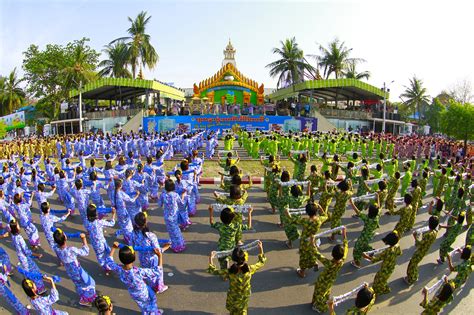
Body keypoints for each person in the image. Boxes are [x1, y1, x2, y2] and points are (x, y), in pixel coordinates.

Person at [208, 241, 266, 315]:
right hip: (244, 294)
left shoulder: (230, 271)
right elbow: (261, 262)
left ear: (233, 260)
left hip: (233, 295)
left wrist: (211, 258)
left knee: (233, 310)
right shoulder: (249, 269)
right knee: (243, 310)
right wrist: (260, 248)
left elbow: (214, 271)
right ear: (244, 258)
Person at [106, 243, 163, 314]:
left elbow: (109, 262)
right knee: (150, 302)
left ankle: (147, 312)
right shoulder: (138, 271)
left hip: (133, 293)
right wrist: (160, 256)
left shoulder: (119, 269)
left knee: (143, 305)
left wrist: (113, 248)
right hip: (143, 292)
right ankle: (153, 313)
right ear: (134, 258)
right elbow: (157, 271)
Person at [53, 229, 97, 306]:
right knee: (90, 282)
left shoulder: (55, 248)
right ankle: (87, 299)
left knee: (78, 284)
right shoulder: (71, 249)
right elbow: (86, 252)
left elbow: (59, 257)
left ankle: (83, 297)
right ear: (65, 238)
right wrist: (84, 239)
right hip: (77, 270)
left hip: (69, 270)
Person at [311, 227, 348, 313]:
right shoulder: (343, 260)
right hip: (331, 280)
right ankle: (315, 302)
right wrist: (344, 235)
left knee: (319, 293)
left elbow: (316, 253)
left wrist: (312, 242)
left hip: (323, 281)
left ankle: (319, 307)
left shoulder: (329, 264)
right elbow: (346, 247)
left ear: (332, 254)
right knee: (326, 291)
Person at [286, 202, 327, 277]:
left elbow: (292, 220)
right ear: (316, 211)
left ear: (307, 212)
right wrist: (320, 206)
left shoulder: (305, 221)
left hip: (305, 242)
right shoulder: (319, 220)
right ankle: (314, 262)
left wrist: (287, 213)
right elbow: (325, 215)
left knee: (303, 257)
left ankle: (302, 272)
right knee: (313, 252)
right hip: (314, 239)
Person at [209, 205, 252, 270]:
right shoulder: (236, 226)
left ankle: (224, 273)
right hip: (231, 246)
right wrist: (249, 213)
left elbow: (211, 222)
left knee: (222, 262)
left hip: (222, 247)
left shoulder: (220, 226)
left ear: (221, 218)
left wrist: (211, 212)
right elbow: (249, 226)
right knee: (232, 256)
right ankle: (232, 263)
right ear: (232, 218)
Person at [363, 231, 402, 295]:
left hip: (385, 269)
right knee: (382, 279)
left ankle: (377, 292)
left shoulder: (387, 251)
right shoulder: (397, 245)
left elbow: (376, 259)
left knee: (378, 281)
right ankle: (385, 288)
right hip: (391, 267)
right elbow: (399, 253)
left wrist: (366, 256)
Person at [405, 216, 439, 285]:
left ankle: (411, 279)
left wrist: (415, 237)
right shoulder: (435, 232)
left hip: (420, 251)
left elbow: (419, 244)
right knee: (414, 263)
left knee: (412, 264)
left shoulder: (428, 234)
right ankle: (414, 276)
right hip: (424, 250)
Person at [158, 179, 186, 252]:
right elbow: (181, 204)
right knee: (176, 231)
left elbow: (159, 205)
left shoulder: (163, 195)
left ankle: (175, 244)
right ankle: (179, 246)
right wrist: (183, 196)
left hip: (167, 217)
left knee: (171, 232)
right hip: (174, 216)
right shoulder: (175, 195)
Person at [87, 204, 116, 274]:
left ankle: (105, 266)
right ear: (96, 214)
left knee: (100, 256)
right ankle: (109, 266)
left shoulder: (87, 222)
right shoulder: (99, 222)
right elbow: (112, 223)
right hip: (102, 242)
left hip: (94, 243)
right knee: (108, 253)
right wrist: (113, 214)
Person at [349, 203, 380, 269]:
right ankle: (371, 250)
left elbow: (358, 212)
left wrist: (352, 203)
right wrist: (377, 197)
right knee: (364, 245)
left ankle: (357, 263)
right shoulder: (377, 216)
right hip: (370, 235)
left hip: (364, 237)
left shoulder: (367, 219)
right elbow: (378, 207)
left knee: (356, 249)